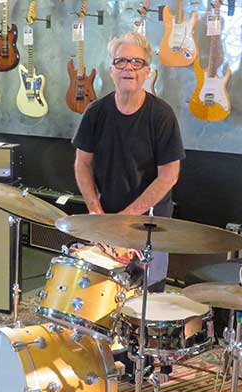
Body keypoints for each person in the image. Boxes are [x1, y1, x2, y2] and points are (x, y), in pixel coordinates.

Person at [72, 32, 186, 292]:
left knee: (145, 301)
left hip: (149, 224)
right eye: (121, 61)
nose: (129, 69)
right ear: (111, 70)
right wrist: (94, 209)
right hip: (106, 218)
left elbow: (168, 176)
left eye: (137, 62)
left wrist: (128, 216)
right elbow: (82, 163)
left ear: (147, 71)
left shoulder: (162, 115)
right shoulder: (95, 113)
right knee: (101, 297)